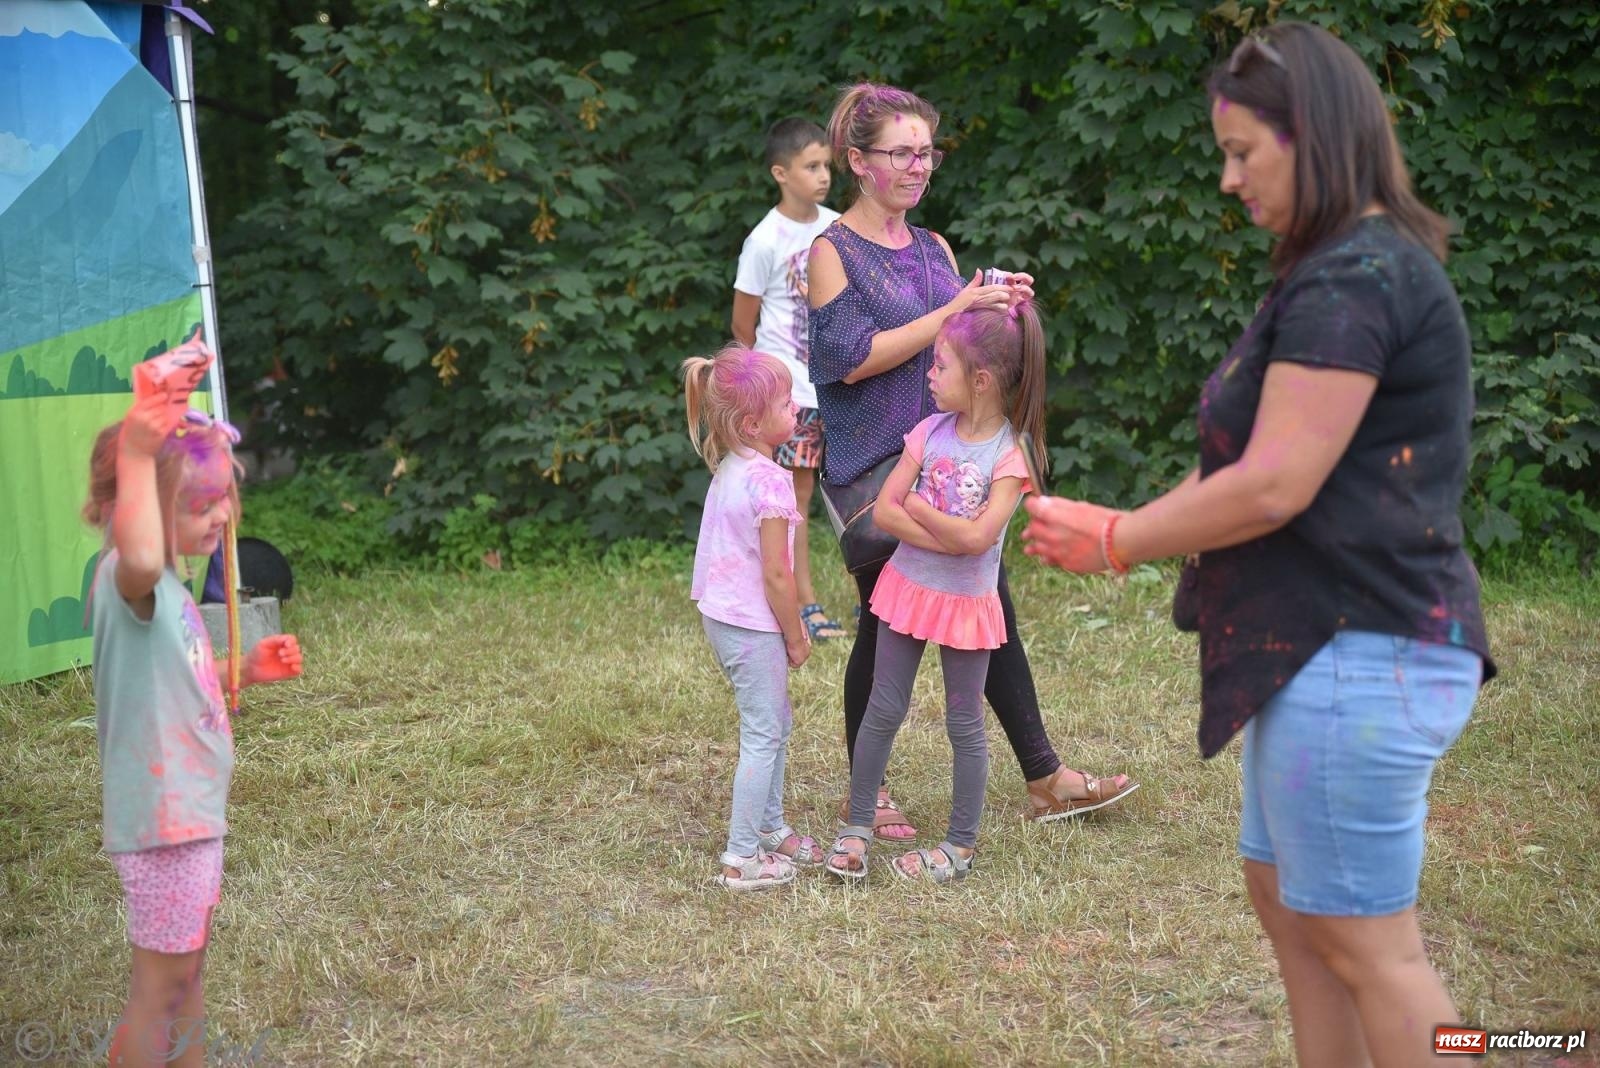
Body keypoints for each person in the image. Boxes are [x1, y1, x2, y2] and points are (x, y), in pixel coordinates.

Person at [1021, 22, 1494, 1068]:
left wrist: (1120, 538)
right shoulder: (1337, 272)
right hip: (1326, 653)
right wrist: (1121, 528)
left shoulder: (1356, 276)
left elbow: (1276, 483)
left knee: (1372, 951)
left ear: (1311, 135)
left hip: (1361, 648)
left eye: (1242, 153)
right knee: (1293, 912)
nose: (1228, 180)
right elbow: (1247, 462)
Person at [808, 81, 1136, 840]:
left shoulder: (934, 249)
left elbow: (957, 345)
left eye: (927, 153)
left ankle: (1045, 777)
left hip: (945, 459)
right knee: (883, 617)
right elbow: (848, 361)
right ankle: (870, 790)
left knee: (987, 601)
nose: (918, 167)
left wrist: (995, 304)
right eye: (901, 153)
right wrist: (954, 309)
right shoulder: (831, 253)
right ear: (858, 161)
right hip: (873, 468)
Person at [85, 384, 303, 1068]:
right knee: (162, 990)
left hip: (190, 815)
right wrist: (139, 451)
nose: (222, 515)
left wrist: (245, 669)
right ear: (140, 511)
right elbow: (141, 552)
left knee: (188, 977)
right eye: (200, 504)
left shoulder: (170, 591)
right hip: (165, 822)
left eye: (223, 500)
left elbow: (177, 677)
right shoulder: (133, 578)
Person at [827, 302, 1048, 883]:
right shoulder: (927, 432)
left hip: (967, 607)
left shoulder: (1011, 455)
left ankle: (959, 847)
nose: (929, 374)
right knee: (882, 709)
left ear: (981, 380)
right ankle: (856, 827)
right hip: (907, 589)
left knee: (964, 724)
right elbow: (886, 512)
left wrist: (924, 513)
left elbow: (977, 539)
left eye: (940, 365)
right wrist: (951, 534)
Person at [684, 343, 825, 890]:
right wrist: (796, 634)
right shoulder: (771, 481)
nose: (795, 410)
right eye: (786, 404)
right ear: (752, 423)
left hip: (722, 619)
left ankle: (771, 827)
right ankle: (741, 857)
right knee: (763, 734)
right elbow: (777, 575)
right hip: (752, 626)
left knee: (774, 722)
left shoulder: (732, 466)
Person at [731, 117, 848, 643]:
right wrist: (767, 390)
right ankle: (803, 604)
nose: (824, 175)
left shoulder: (839, 228)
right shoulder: (764, 241)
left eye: (826, 165)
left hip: (837, 388)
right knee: (792, 500)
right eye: (811, 166)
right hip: (789, 398)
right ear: (781, 173)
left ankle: (871, 598)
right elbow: (743, 326)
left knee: (845, 492)